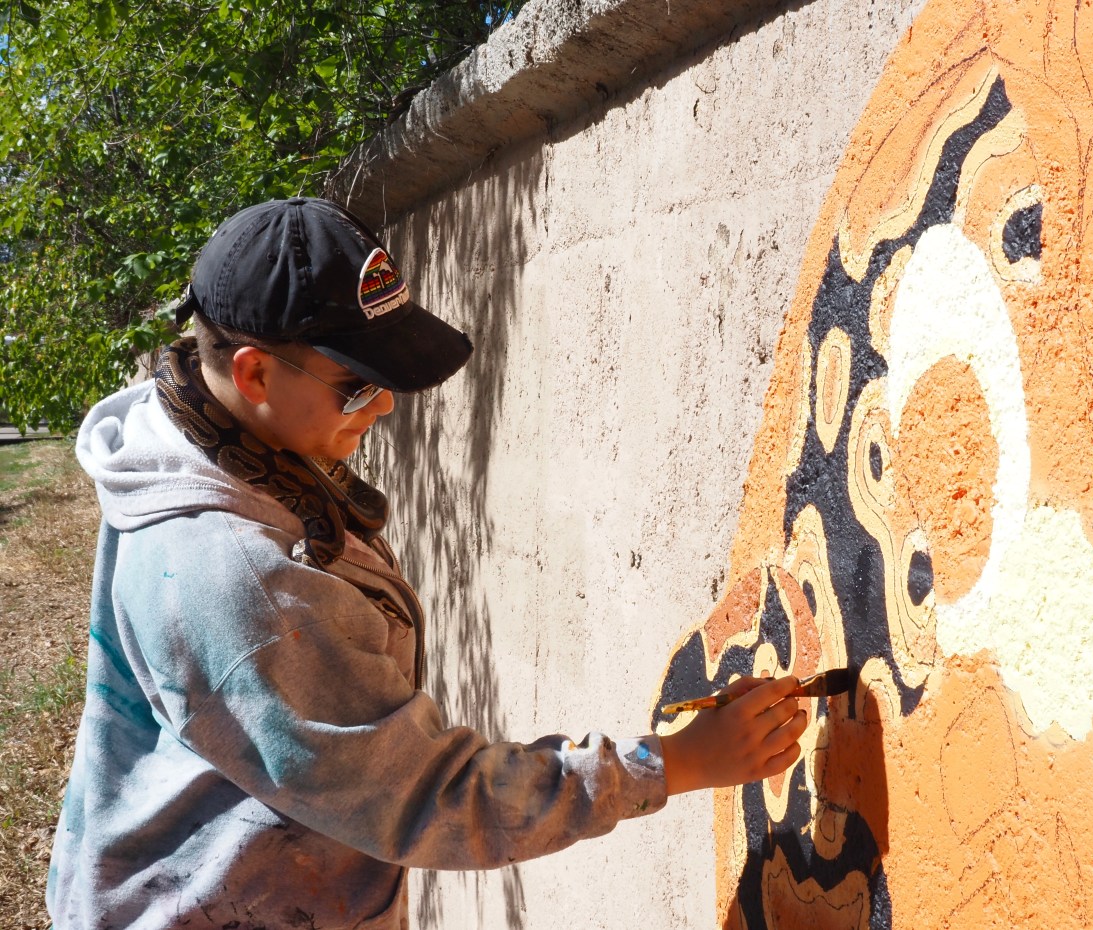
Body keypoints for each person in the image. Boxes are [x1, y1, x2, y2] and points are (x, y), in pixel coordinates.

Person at [46, 197, 809, 929]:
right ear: (253, 374)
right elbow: (428, 796)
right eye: (359, 385)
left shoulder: (182, 431)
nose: (383, 409)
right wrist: (671, 764)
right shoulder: (244, 584)